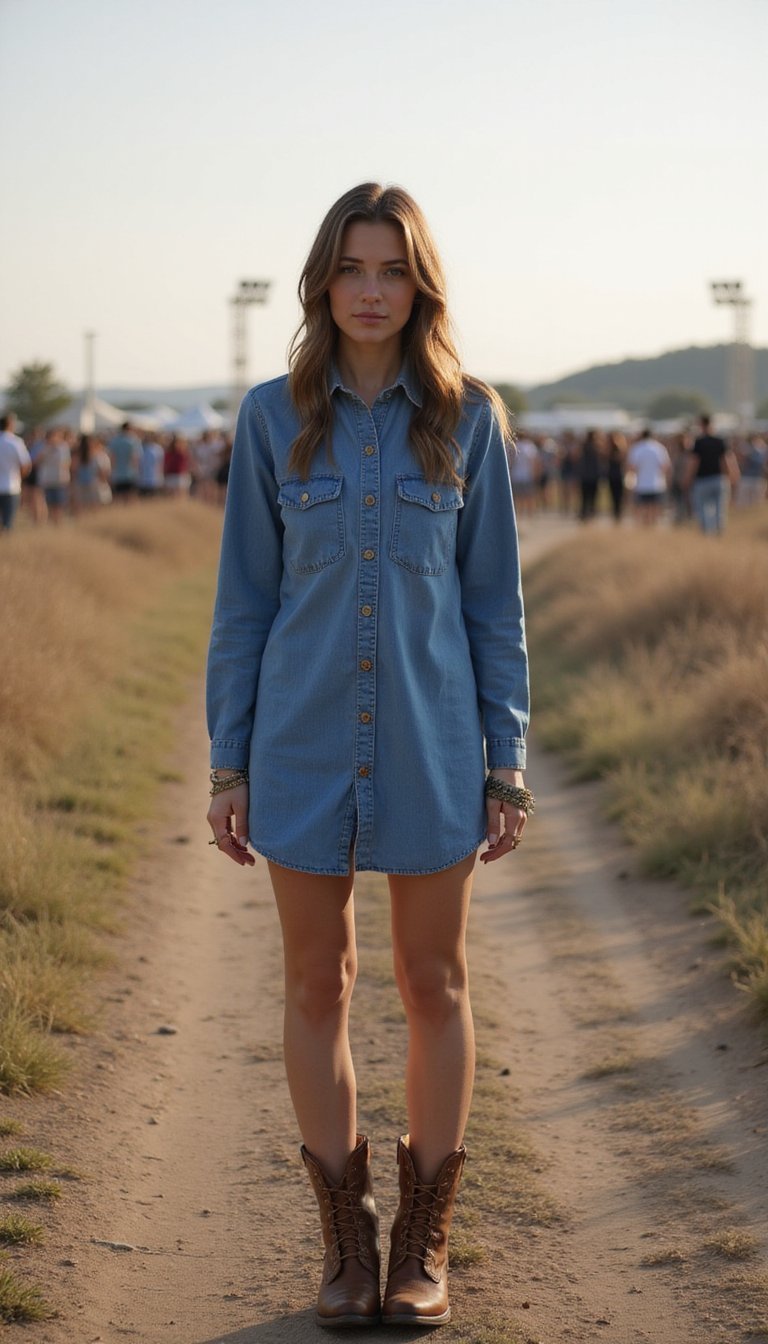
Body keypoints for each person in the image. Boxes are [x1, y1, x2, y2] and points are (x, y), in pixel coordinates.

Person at [205, 183, 531, 1330]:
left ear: (420, 282)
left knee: (433, 982)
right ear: (322, 283)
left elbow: (495, 607)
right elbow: (245, 601)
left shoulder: (471, 419)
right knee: (316, 981)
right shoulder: (268, 417)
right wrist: (228, 762)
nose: (372, 290)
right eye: (351, 268)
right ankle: (346, 1241)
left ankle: (422, 1240)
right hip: (297, 745)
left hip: (435, 748)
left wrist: (507, 759)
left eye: (391, 268)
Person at [685, 414, 739, 534]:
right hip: (719, 479)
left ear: (701, 425)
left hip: (702, 480)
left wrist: (688, 478)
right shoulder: (720, 441)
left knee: (702, 509)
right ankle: (719, 532)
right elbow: (727, 460)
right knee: (720, 509)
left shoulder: (698, 443)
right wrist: (733, 475)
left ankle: (706, 533)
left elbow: (694, 462)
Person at [627, 427, 671, 526]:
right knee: (655, 506)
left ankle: (645, 525)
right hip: (656, 483)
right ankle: (653, 524)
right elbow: (665, 465)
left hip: (641, 483)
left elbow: (632, 467)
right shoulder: (659, 448)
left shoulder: (637, 448)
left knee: (642, 506)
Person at [0, 412, 32, 532]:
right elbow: (26, 464)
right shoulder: (15, 442)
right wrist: (21, 478)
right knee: (7, 523)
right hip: (11, 487)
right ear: (10, 425)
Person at [108, 421, 141, 500]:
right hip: (130, 472)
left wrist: (112, 470)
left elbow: (112, 457)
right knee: (130, 495)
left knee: (119, 496)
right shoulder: (133, 441)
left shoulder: (114, 440)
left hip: (118, 473)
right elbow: (135, 457)